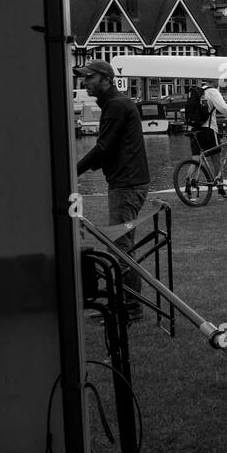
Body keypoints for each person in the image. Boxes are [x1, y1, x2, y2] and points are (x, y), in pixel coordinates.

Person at [75, 60, 150, 314]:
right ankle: (125, 304)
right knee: (120, 244)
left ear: (106, 79)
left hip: (126, 183)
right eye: (84, 78)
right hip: (127, 181)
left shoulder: (116, 105)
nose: (85, 82)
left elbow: (103, 147)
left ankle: (130, 308)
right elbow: (109, 149)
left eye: (90, 78)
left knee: (119, 246)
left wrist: (71, 171)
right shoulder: (114, 104)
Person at [190, 79, 227, 197]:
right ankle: (221, 191)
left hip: (194, 129)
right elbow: (224, 108)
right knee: (216, 160)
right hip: (209, 130)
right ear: (214, 81)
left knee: (196, 160)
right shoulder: (212, 92)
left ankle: (187, 187)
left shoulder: (199, 93)